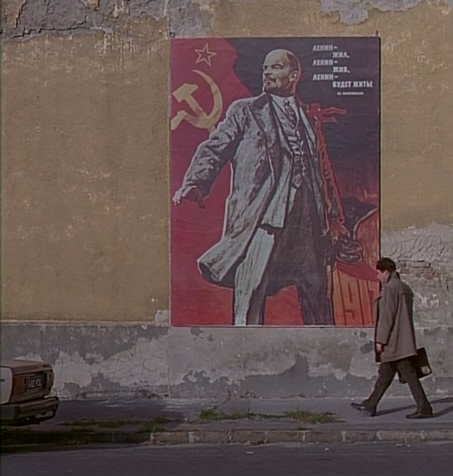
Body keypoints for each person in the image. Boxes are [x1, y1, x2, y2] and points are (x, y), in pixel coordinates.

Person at [172, 49, 349, 326]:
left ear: (293, 75)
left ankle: (323, 345)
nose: (267, 72)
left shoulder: (309, 118)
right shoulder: (245, 111)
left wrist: (335, 219)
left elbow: (324, 173)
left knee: (317, 297)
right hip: (264, 218)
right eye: (265, 67)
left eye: (275, 67)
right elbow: (215, 147)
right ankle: (243, 345)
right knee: (251, 290)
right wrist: (196, 182)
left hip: (309, 224)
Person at [351, 258, 435, 419]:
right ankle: (370, 404)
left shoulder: (390, 289)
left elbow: (387, 317)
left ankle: (424, 407)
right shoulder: (404, 287)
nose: (377, 276)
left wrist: (381, 340)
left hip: (393, 341)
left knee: (408, 374)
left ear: (386, 272)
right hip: (402, 340)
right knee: (386, 373)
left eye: (378, 273)